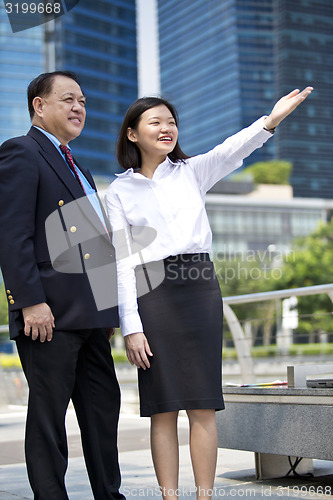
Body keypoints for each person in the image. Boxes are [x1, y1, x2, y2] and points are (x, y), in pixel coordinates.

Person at [105, 86, 313, 500]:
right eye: (155, 122)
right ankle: (170, 497)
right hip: (152, 293)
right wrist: (131, 326)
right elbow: (121, 263)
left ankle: (204, 496)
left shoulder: (193, 171)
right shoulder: (118, 192)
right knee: (162, 407)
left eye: (171, 122)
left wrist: (271, 119)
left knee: (202, 402)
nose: (167, 128)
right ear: (132, 134)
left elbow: (234, 149)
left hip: (199, 285)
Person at [0, 71, 125, 500]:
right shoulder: (21, 151)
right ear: (39, 105)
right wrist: (30, 301)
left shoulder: (81, 167)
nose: (79, 108)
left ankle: (110, 495)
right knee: (49, 418)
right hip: (47, 315)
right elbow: (12, 234)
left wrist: (109, 309)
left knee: (103, 410)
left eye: (83, 102)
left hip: (91, 317)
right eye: (68, 99)